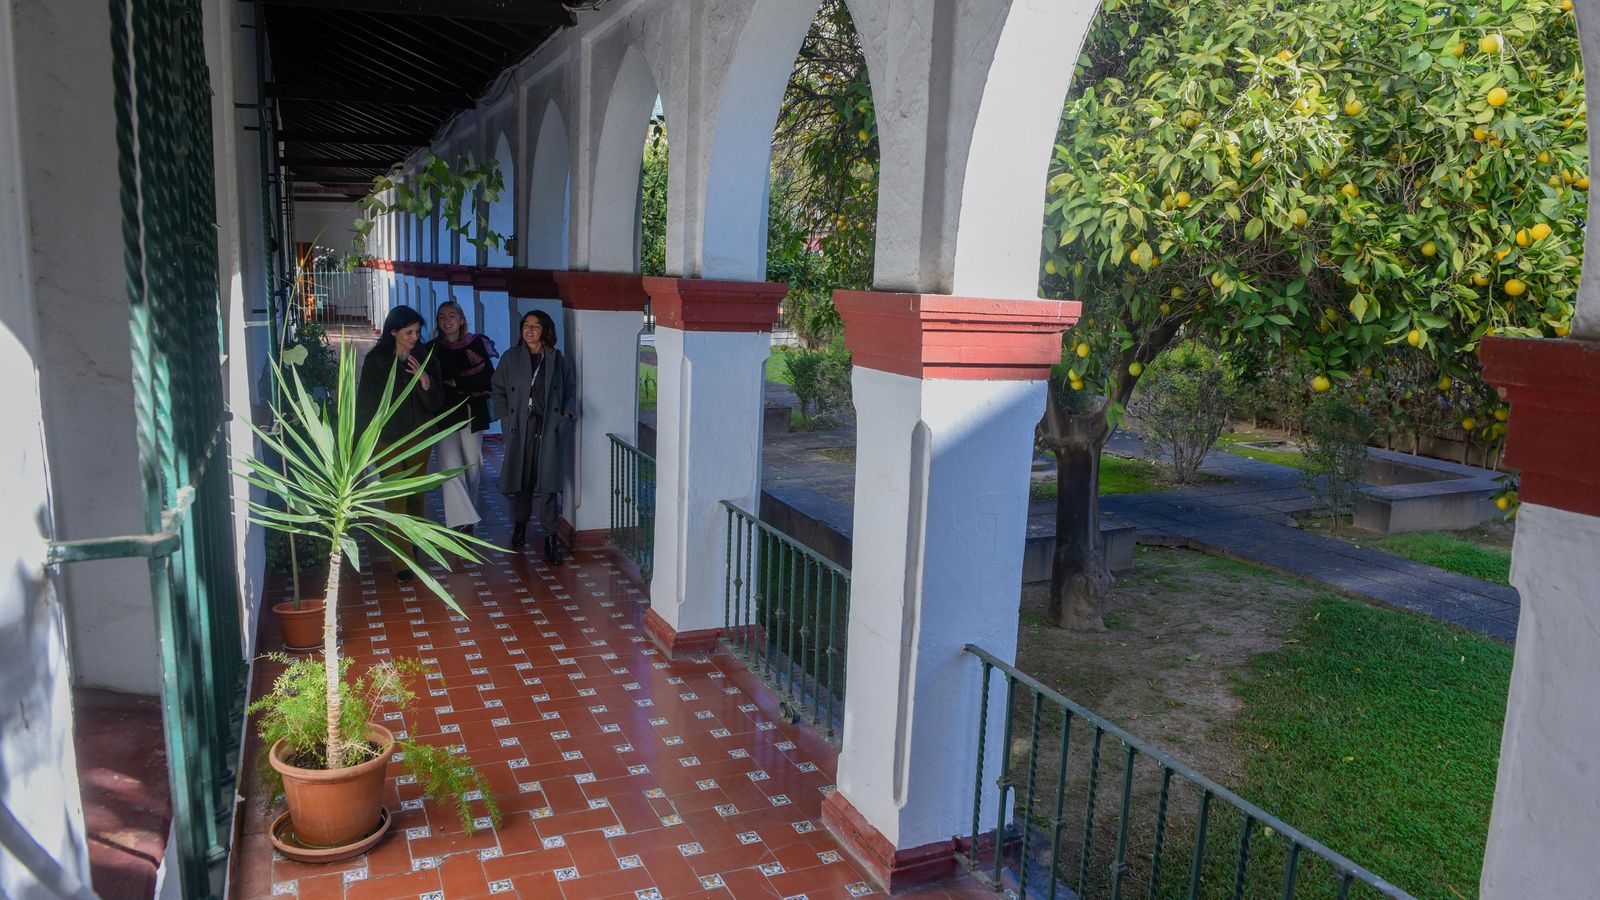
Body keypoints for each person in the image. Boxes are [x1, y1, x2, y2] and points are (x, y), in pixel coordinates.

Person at [356, 305, 444, 581]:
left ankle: (413, 544)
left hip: (418, 436)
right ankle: (402, 561)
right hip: (386, 439)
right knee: (396, 496)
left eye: (418, 331)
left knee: (416, 495)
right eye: (409, 332)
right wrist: (362, 443)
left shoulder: (425, 357)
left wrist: (425, 381)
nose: (415, 337)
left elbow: (437, 402)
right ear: (393, 331)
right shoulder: (376, 361)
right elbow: (365, 404)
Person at [489, 309, 576, 565]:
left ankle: (550, 538)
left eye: (535, 326)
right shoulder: (511, 357)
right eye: (525, 325)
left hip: (548, 427)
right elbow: (497, 388)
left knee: (548, 484)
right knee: (522, 479)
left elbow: (570, 387)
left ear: (545, 331)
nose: (529, 330)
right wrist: (505, 417)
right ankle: (520, 526)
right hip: (520, 427)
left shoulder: (556, 360)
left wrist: (567, 414)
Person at [426, 301, 497, 535]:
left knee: (472, 466)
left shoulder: (476, 343)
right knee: (449, 467)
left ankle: (467, 514)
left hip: (472, 413)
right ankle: (462, 522)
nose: (447, 321)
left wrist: (456, 383)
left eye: (452, 315)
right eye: (442, 317)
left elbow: (488, 379)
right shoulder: (431, 349)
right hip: (444, 415)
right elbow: (432, 384)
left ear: (461, 319)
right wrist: (463, 382)